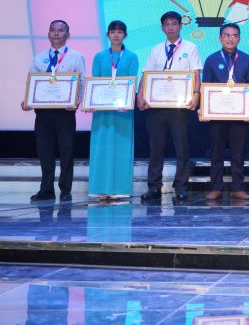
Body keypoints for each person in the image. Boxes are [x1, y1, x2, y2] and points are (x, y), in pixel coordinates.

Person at [137, 11, 202, 202]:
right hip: (156, 107)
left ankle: (181, 187)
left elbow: (196, 73)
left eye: (174, 23)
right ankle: (154, 187)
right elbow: (146, 74)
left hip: (180, 108)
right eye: (167, 24)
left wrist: (196, 94)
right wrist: (140, 95)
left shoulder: (190, 47)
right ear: (162, 28)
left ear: (180, 26)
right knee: (156, 149)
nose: (171, 27)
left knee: (182, 148)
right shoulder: (156, 50)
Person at [21, 19, 86, 202]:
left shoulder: (76, 56)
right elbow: (32, 81)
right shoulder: (39, 57)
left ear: (68, 34)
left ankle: (65, 190)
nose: (56, 33)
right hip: (43, 112)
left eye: (60, 30)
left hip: (65, 112)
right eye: (53, 30)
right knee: (45, 152)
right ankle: (46, 189)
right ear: (48, 34)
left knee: (67, 151)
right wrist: (27, 100)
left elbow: (81, 82)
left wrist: (76, 102)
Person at [201, 23, 249, 200]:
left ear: (239, 38)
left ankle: (237, 187)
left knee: (238, 153)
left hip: (239, 114)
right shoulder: (211, 59)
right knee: (216, 152)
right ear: (220, 38)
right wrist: (204, 109)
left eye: (234, 35)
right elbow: (205, 86)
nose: (230, 39)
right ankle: (216, 187)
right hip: (216, 114)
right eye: (226, 35)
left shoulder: (246, 59)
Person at [87, 20, 139, 202]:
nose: (116, 35)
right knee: (101, 149)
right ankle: (100, 190)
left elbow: (132, 82)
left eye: (120, 32)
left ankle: (120, 190)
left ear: (125, 35)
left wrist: (128, 102)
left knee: (121, 149)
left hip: (123, 111)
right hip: (102, 111)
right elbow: (95, 82)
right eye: (113, 31)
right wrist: (91, 101)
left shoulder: (132, 57)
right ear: (107, 35)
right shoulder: (99, 57)